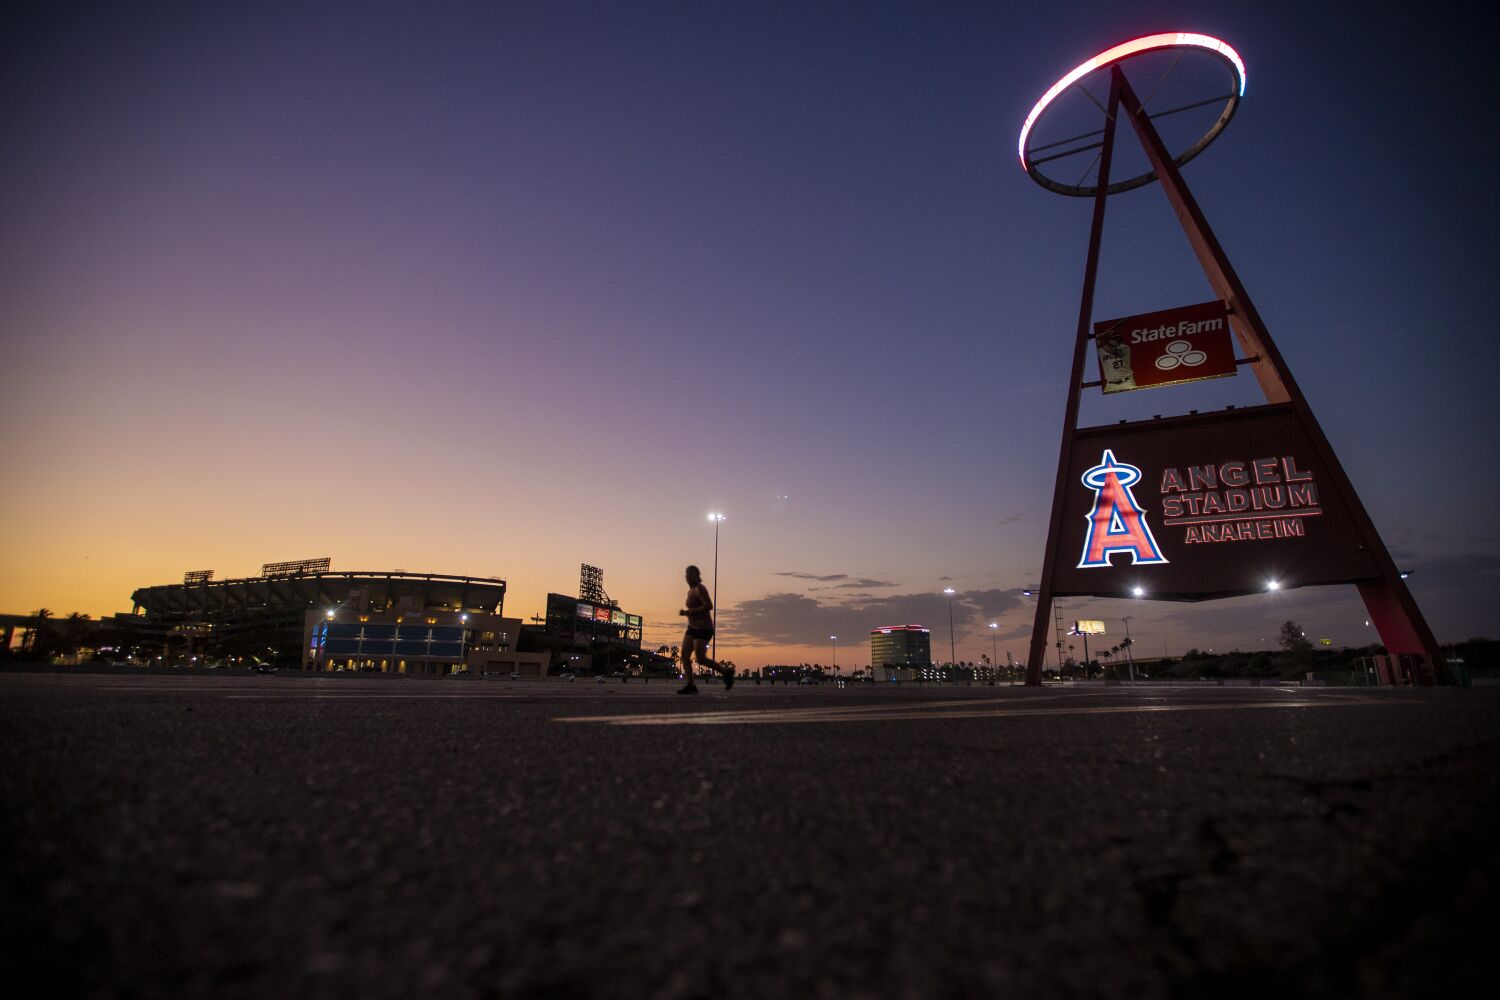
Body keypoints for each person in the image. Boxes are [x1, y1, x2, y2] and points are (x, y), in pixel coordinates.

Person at [678, 564, 733, 694]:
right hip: (692, 628)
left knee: (700, 659)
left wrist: (690, 611)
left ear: (698, 576)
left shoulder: (699, 589)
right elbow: (694, 610)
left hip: (704, 628)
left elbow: (709, 605)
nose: (688, 576)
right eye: (687, 574)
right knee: (685, 656)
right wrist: (686, 613)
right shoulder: (690, 591)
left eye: (691, 574)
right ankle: (691, 685)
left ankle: (726, 673)